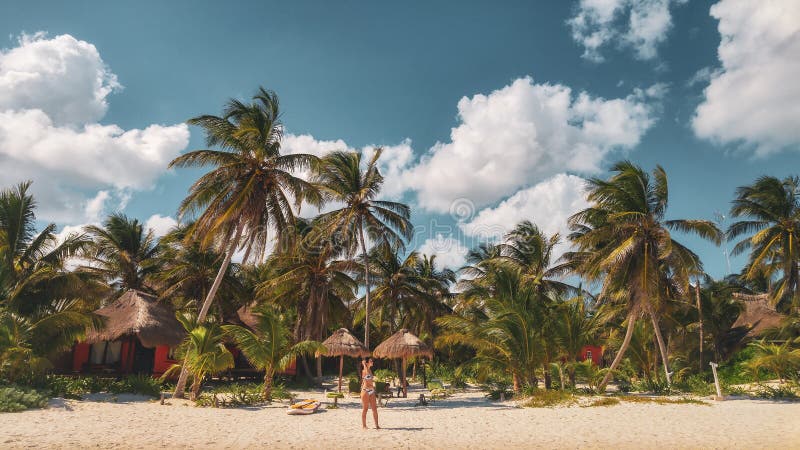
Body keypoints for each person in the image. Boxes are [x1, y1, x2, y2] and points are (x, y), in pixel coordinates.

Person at [360, 357, 380, 429]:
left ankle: (377, 425)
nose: (372, 362)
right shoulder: (364, 370)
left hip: (371, 390)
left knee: (374, 408)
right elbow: (367, 376)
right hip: (365, 390)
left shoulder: (370, 370)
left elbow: (370, 379)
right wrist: (364, 365)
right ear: (367, 362)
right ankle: (364, 425)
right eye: (371, 361)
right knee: (365, 408)